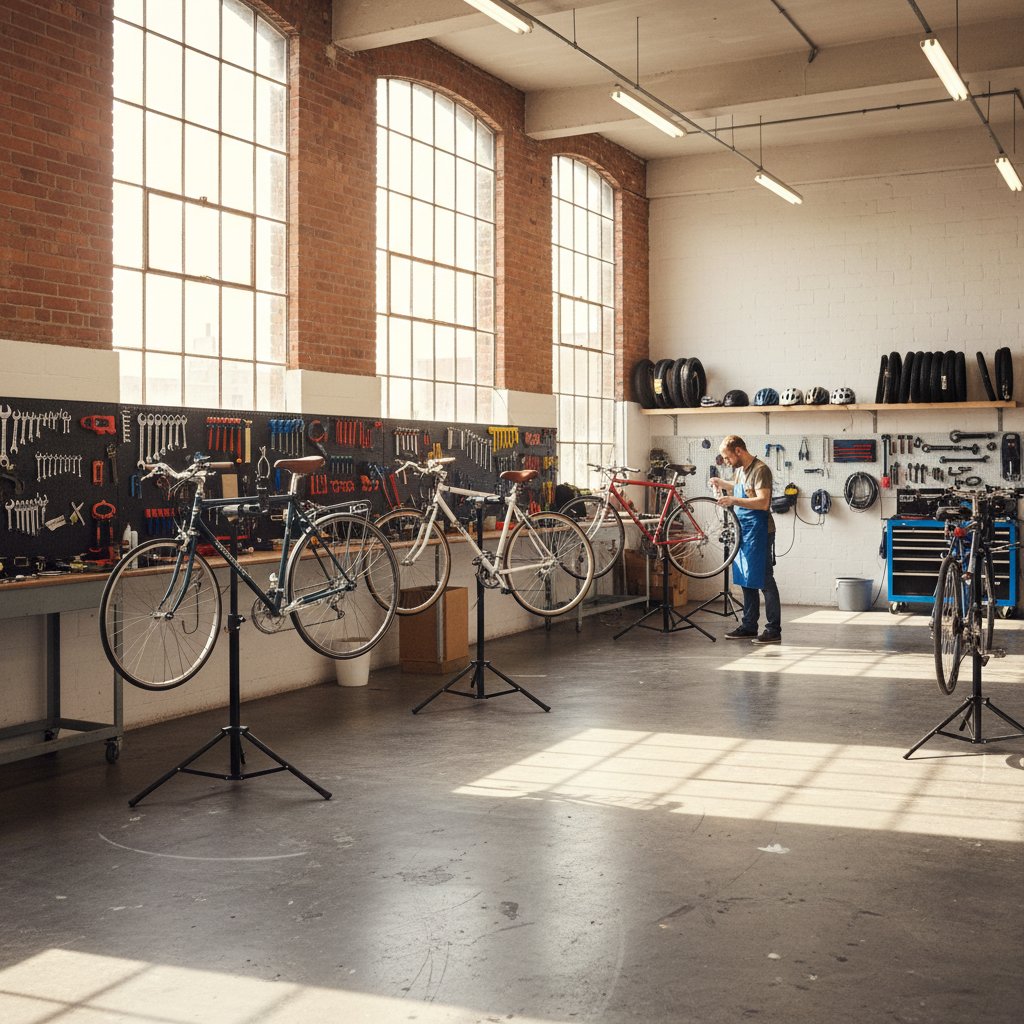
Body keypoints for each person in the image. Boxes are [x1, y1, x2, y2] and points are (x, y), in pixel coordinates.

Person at [709, 435, 782, 644]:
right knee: (746, 580)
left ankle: (773, 629)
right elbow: (740, 487)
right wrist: (721, 483)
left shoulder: (761, 470)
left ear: (738, 451)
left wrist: (732, 499)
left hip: (761, 531)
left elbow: (762, 501)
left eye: (727, 457)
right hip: (743, 530)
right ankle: (749, 625)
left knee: (765, 580)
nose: (726, 461)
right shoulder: (740, 470)